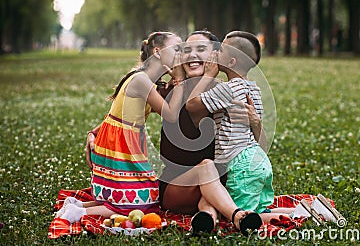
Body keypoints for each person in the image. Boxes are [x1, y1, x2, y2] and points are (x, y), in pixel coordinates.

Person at [83, 31, 264, 235]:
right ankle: (237, 216)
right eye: (187, 50)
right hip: (177, 187)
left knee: (212, 176)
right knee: (207, 167)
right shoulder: (169, 92)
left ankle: (207, 220)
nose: (192, 55)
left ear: (215, 56)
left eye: (201, 49)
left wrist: (256, 123)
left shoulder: (221, 94)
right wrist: (94, 134)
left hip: (213, 185)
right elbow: (122, 116)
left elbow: (251, 143)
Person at [56, 31, 186, 223]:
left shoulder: (144, 78)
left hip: (120, 142)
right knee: (138, 204)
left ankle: (77, 205)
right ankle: (80, 214)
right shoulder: (141, 80)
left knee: (138, 198)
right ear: (158, 52)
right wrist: (180, 80)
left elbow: (119, 114)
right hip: (121, 146)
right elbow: (171, 115)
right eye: (177, 48)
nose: (181, 54)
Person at [186, 31, 294, 224]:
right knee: (258, 207)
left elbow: (192, 105)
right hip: (258, 159)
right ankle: (304, 209)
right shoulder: (254, 88)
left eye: (221, 50)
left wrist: (209, 75)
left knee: (242, 215)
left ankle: (306, 215)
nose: (216, 52)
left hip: (241, 164)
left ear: (232, 62)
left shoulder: (229, 88)